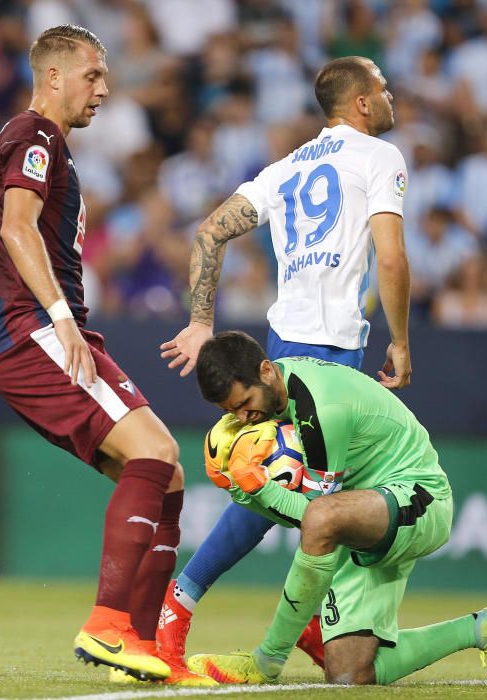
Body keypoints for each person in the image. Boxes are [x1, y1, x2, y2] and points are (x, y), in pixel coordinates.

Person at [0, 24, 214, 688]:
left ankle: (142, 649)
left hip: (35, 331)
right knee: (155, 453)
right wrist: (59, 319)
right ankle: (109, 624)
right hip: (33, 330)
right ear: (52, 76)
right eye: (93, 75)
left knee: (166, 476)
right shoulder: (34, 135)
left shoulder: (46, 146)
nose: (104, 89)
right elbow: (15, 229)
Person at [158, 56, 412, 666]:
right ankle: (189, 606)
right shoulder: (380, 158)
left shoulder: (286, 166)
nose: (390, 95)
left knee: (303, 492)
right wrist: (400, 341)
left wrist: (200, 322)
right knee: (316, 496)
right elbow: (392, 257)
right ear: (360, 103)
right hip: (330, 352)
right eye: (382, 88)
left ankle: (283, 619)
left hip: (284, 344)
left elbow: (210, 231)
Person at [187, 331, 487, 689]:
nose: (243, 417)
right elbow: (314, 516)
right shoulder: (277, 398)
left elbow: (311, 517)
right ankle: (484, 627)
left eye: (244, 402)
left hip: (420, 498)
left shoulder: (320, 408)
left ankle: (267, 660)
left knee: (321, 517)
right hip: (364, 511)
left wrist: (256, 489)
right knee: (349, 675)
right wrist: (240, 490)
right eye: (230, 412)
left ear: (266, 371)